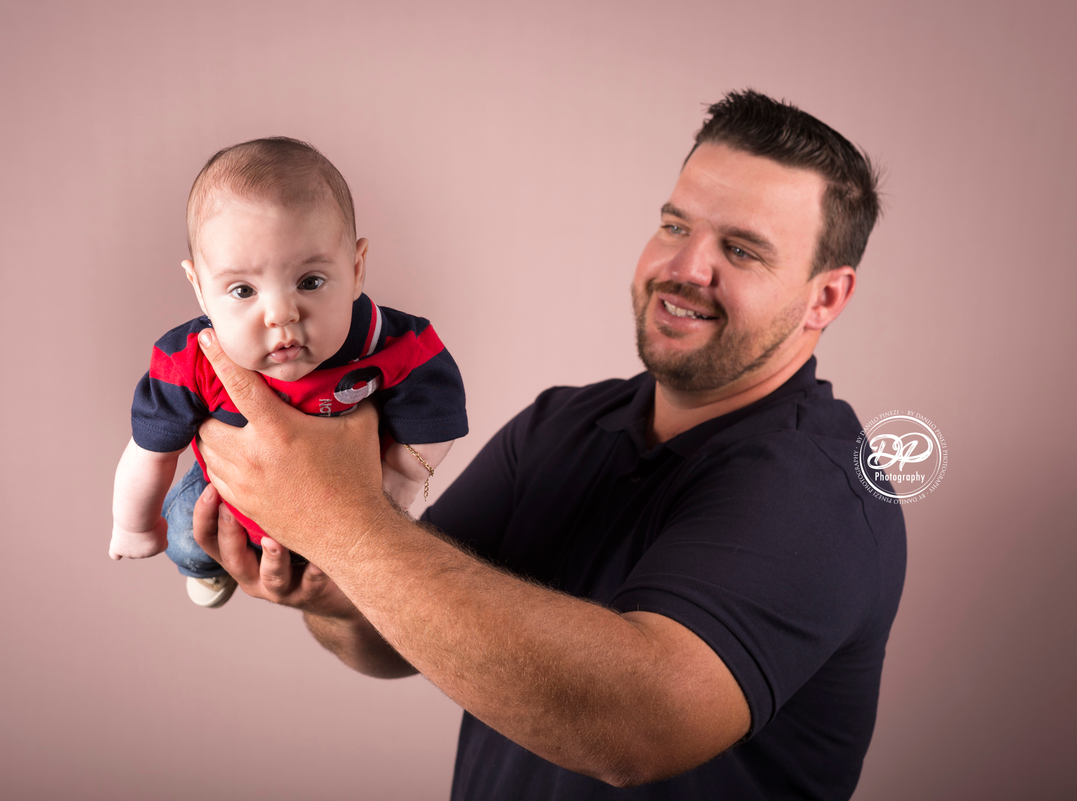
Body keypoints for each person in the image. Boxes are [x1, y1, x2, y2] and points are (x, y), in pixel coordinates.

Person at [189, 91, 906, 799]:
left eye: (741, 249)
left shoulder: (823, 490)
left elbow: (636, 728)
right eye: (674, 225)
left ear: (826, 298)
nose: (686, 267)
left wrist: (336, 520)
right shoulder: (563, 423)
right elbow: (392, 631)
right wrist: (329, 590)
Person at [109, 137, 467, 608]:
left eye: (310, 282)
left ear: (356, 269)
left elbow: (438, 407)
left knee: (375, 564)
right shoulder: (190, 358)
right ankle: (209, 571)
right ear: (199, 288)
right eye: (242, 290)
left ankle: (344, 582)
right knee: (186, 537)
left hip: (346, 500)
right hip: (227, 498)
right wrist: (133, 526)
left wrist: (397, 479)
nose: (281, 314)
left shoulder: (389, 341)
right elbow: (150, 453)